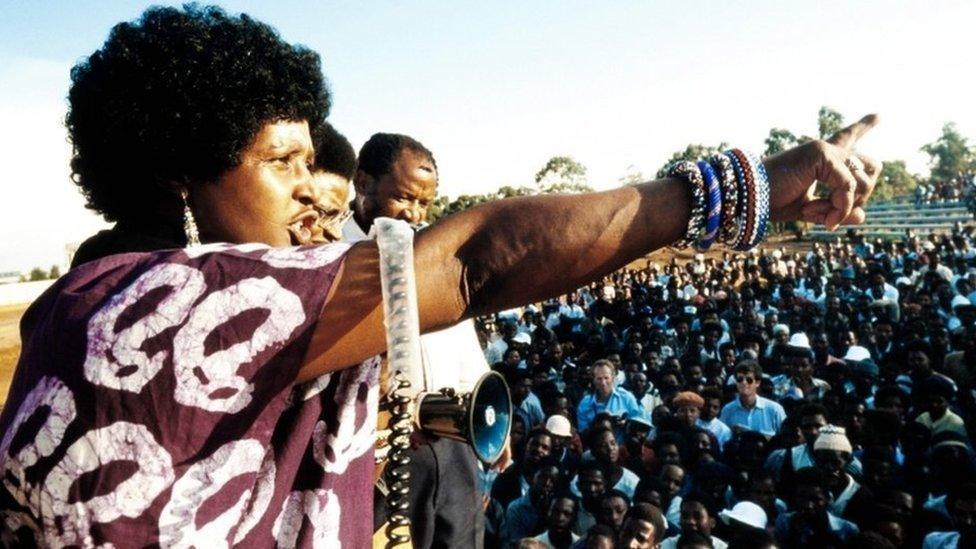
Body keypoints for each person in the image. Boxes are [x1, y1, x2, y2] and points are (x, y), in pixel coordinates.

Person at [0, 4, 883, 546]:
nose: (314, 196)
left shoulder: (91, 299)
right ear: (175, 176)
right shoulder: (164, 310)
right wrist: (742, 189)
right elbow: (472, 261)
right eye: (282, 163)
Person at [577, 359, 646, 434]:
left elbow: (639, 423)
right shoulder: (585, 404)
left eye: (606, 378)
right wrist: (600, 424)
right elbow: (583, 433)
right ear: (593, 380)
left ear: (613, 378)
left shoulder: (626, 397)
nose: (603, 383)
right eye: (599, 379)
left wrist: (626, 424)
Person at [720, 361, 787, 437]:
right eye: (740, 379)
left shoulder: (775, 409)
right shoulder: (727, 410)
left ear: (757, 383)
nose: (744, 383)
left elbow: (784, 438)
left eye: (749, 380)